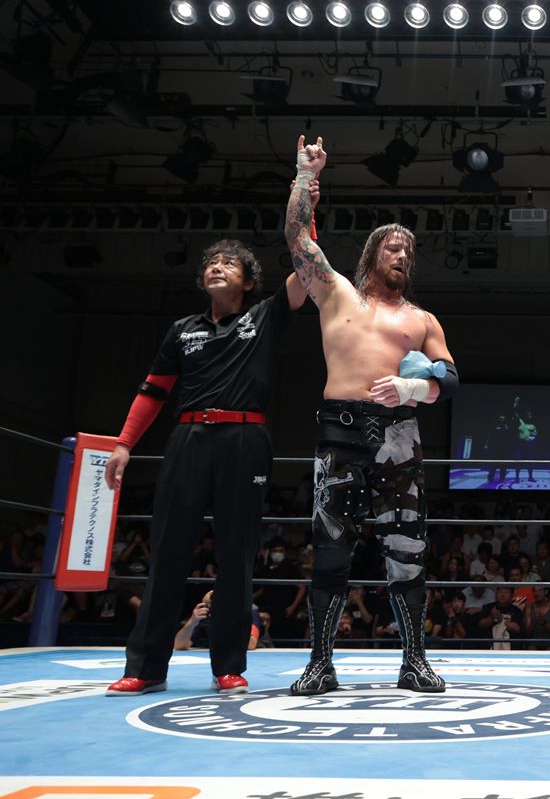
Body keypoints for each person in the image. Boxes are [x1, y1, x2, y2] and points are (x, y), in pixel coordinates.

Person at [104, 220, 314, 697]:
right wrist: (123, 444)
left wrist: (304, 205)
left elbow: (306, 270)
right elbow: (152, 392)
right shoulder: (182, 331)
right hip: (189, 438)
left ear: (248, 281)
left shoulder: (265, 316)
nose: (217, 267)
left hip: (245, 439)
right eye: (211, 263)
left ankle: (228, 667)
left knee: (236, 554)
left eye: (228, 263)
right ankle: (146, 668)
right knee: (168, 550)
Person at [284, 135, 459, 695]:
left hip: (399, 438)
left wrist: (412, 385)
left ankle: (414, 662)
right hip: (340, 433)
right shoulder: (336, 293)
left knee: (407, 553)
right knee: (330, 550)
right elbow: (297, 238)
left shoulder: (422, 319)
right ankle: (320, 663)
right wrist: (305, 177)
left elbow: (450, 380)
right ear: (372, 255)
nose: (402, 256)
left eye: (408, 251)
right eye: (392, 248)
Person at [173, 590, 261, 652]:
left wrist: (227, 619)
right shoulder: (204, 614)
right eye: (209, 605)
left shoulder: (249, 610)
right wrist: (192, 622)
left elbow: (251, 644)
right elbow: (178, 645)